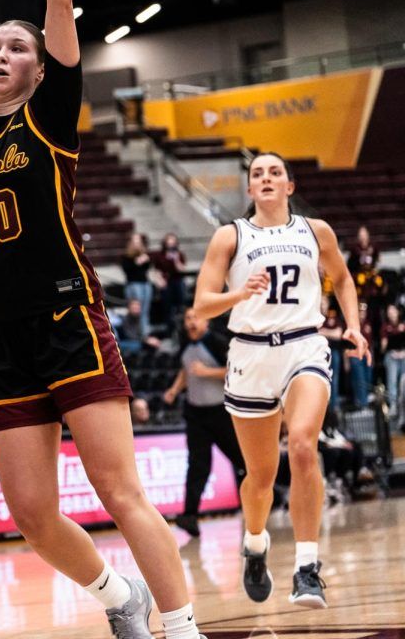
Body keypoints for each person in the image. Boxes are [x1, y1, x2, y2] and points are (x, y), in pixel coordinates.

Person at [0, 0, 203, 637]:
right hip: (0, 336)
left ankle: (182, 627)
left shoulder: (48, 119)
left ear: (38, 67)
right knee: (31, 514)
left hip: (66, 320)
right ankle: (119, 596)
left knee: (120, 492)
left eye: (14, 48)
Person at [193, 151, 369, 610]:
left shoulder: (317, 231)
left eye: (275, 173)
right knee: (261, 476)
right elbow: (202, 306)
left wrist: (352, 325)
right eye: (257, 174)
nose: (266, 179)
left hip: (304, 345)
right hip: (250, 355)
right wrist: (240, 292)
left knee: (305, 446)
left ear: (290, 186)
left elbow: (344, 280)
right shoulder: (229, 236)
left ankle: (307, 568)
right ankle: (255, 545)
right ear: (249, 189)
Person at [162, 309, 246, 537]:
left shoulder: (216, 342)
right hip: (195, 414)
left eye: (195, 317)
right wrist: (174, 389)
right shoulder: (185, 343)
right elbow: (186, 370)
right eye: (187, 318)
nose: (190, 322)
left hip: (221, 412)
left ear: (206, 321)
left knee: (242, 459)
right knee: (198, 466)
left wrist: (207, 372)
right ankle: (189, 516)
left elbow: (237, 371)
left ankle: (267, 495)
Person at [122, 232, 154, 337]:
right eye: (135, 241)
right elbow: (127, 270)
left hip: (145, 283)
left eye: (139, 241)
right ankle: (135, 335)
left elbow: (147, 269)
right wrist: (137, 262)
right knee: (136, 311)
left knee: (145, 310)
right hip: (133, 284)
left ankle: (145, 334)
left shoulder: (144, 255)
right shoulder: (127, 257)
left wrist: (145, 259)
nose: (137, 244)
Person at [154, 233, 189, 319]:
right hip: (166, 281)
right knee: (167, 305)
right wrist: (160, 280)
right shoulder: (160, 255)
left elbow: (182, 269)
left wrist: (176, 259)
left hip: (177, 280)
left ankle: (180, 317)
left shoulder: (179, 254)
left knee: (180, 301)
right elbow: (157, 270)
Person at [381, 303, 405, 415]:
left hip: (404, 355)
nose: (391, 314)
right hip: (391, 356)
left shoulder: (403, 324)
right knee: (392, 380)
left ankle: (402, 406)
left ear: (397, 312)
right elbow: (383, 348)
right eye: (389, 312)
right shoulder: (385, 327)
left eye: (393, 311)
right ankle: (393, 405)